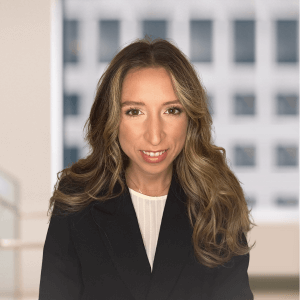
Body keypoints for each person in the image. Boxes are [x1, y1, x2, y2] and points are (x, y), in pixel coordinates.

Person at [38, 37, 256, 300]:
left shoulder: (217, 200)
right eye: (134, 112)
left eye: (171, 110)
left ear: (191, 118)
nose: (155, 137)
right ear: (111, 118)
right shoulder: (76, 198)